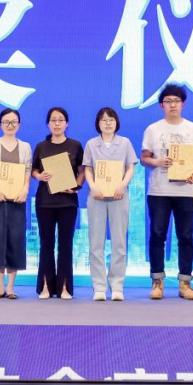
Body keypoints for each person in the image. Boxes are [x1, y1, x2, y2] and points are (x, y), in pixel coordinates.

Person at [141, 84, 193, 300]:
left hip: (186, 191)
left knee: (185, 236)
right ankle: (157, 282)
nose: (172, 105)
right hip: (159, 191)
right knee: (157, 235)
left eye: (176, 101)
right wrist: (158, 161)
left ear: (183, 104)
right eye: (168, 101)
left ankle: (185, 283)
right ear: (161, 105)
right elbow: (144, 158)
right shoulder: (153, 129)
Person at [83, 107, 137, 302]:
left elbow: (130, 167)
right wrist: (93, 186)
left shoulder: (125, 143)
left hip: (118, 197)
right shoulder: (91, 144)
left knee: (119, 243)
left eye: (111, 119)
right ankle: (99, 286)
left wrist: (123, 185)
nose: (107, 123)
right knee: (95, 243)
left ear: (116, 123)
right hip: (97, 197)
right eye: (104, 120)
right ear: (98, 123)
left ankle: (117, 285)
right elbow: (88, 169)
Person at [32, 107, 85, 300]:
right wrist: (40, 176)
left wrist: (76, 187)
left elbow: (82, 171)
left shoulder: (75, 145)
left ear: (67, 123)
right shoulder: (41, 146)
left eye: (61, 120)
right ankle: (46, 286)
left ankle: (64, 287)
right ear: (48, 124)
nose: (57, 123)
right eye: (53, 120)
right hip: (45, 202)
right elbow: (34, 170)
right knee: (46, 244)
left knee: (65, 244)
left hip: (67, 202)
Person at [0, 108, 32, 300]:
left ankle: (11, 287)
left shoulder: (25, 147)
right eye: (6, 122)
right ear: (0, 124)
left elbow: (27, 170)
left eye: (13, 122)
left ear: (19, 124)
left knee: (16, 239)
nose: (10, 125)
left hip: (18, 199)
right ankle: (0, 287)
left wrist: (25, 190)